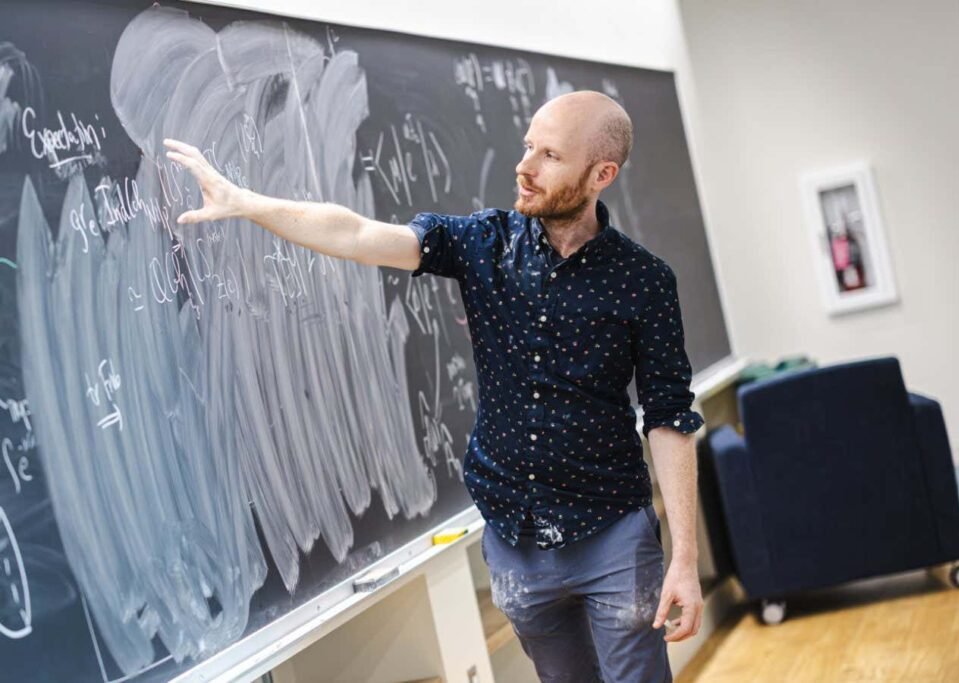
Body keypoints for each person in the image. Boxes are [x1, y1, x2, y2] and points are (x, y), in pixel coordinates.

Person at [165, 89, 705, 683]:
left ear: (602, 174)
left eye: (550, 155)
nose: (524, 166)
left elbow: (669, 417)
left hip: (611, 533)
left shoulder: (644, 281)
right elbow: (355, 234)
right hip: (515, 536)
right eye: (528, 146)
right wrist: (244, 202)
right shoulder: (485, 242)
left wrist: (684, 556)